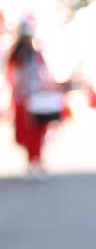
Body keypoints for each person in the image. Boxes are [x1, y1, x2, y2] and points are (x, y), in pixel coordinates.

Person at [6, 18, 61, 181]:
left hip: (33, 97)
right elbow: (17, 78)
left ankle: (36, 161)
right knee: (30, 132)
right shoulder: (21, 55)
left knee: (37, 132)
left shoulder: (34, 54)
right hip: (26, 98)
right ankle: (33, 161)